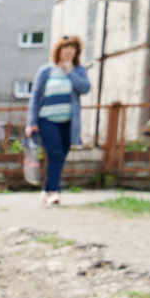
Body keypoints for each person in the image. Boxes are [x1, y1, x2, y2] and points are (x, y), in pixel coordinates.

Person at [26, 36, 92, 206]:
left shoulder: (78, 70)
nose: (69, 50)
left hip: (69, 122)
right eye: (66, 47)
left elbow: (84, 88)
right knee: (55, 153)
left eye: (73, 47)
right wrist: (31, 122)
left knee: (60, 156)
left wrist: (70, 71)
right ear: (59, 50)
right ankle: (55, 191)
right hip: (47, 120)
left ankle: (47, 190)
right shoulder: (46, 71)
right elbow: (35, 97)